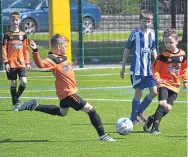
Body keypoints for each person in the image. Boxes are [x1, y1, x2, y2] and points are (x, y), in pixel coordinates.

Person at [14, 34, 115, 142]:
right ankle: (103, 136)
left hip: (65, 93)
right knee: (91, 110)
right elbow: (41, 64)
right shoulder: (52, 59)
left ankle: (35, 105)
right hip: (68, 93)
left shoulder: (63, 57)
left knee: (62, 112)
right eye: (65, 46)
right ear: (58, 47)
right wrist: (35, 51)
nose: (66, 48)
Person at [143, 28, 188, 134]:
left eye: (171, 42)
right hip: (163, 83)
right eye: (166, 42)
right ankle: (155, 128)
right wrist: (158, 79)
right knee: (163, 103)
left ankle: (151, 119)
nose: (168, 44)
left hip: (175, 85)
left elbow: (184, 68)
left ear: (177, 41)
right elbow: (155, 69)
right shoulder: (162, 56)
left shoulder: (182, 54)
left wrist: (185, 80)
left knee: (167, 108)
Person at [120, 9, 158, 124]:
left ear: (151, 21)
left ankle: (139, 111)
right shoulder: (135, 33)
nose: (146, 23)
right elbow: (127, 49)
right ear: (140, 21)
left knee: (154, 92)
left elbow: (153, 49)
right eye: (144, 21)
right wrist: (123, 67)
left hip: (149, 70)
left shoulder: (152, 33)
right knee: (139, 93)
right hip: (137, 70)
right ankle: (133, 119)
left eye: (149, 21)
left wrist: (157, 63)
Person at [2, 11, 31, 107]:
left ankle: (15, 99)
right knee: (13, 82)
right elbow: (4, 49)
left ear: (19, 21)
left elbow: (26, 49)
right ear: (10, 21)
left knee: (24, 81)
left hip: (21, 62)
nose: (15, 21)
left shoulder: (23, 35)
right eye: (13, 20)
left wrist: (27, 62)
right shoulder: (7, 35)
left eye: (17, 20)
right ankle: (15, 103)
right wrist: (6, 62)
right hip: (11, 63)